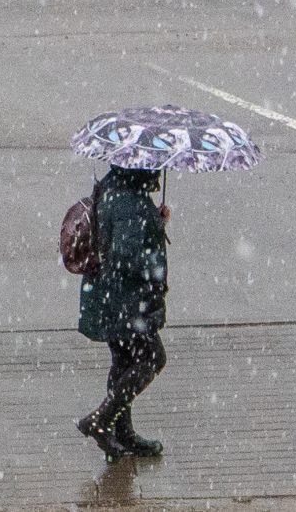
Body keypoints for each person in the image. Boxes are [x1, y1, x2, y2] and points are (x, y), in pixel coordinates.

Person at [75, 165, 170, 460]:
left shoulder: (113, 189)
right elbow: (127, 256)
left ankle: (121, 432)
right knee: (153, 357)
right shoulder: (132, 202)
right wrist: (153, 222)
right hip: (127, 300)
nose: (157, 171)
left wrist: (154, 220)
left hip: (108, 294)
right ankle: (102, 419)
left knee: (124, 360)